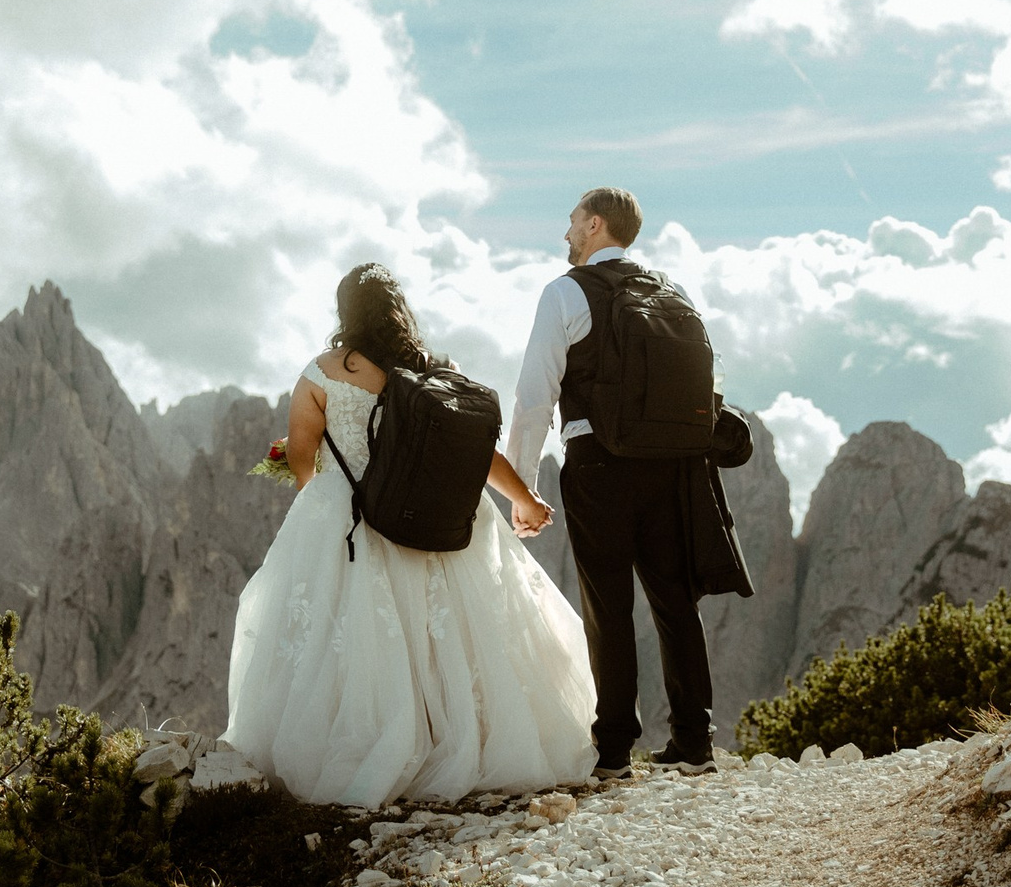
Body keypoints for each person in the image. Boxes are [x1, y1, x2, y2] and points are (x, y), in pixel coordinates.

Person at [224, 263, 599, 806]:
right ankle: (457, 741)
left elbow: (304, 461)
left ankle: (369, 749)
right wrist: (524, 498)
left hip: (350, 515)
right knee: (448, 636)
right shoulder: (438, 370)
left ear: (344, 313)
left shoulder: (323, 372)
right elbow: (479, 452)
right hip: (439, 514)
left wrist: (329, 497)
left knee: (356, 641)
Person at [504, 187, 716, 778]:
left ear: (595, 225)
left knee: (608, 604)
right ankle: (695, 743)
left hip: (599, 460)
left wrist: (522, 488)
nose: (566, 234)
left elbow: (534, 395)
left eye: (572, 222)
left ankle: (616, 749)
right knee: (675, 599)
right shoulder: (673, 291)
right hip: (673, 463)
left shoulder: (565, 291)